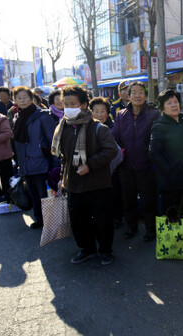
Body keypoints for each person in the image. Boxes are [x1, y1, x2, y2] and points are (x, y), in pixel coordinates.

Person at [52, 85, 119, 265]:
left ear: (83, 104)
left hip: (97, 184)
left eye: (72, 103)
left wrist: (89, 165)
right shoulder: (62, 126)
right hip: (73, 184)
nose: (67, 107)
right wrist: (61, 179)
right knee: (78, 221)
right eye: (65, 104)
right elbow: (63, 157)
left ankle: (105, 250)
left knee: (102, 220)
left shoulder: (98, 128)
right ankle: (87, 249)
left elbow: (111, 151)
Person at [112, 81, 161, 241]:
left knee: (148, 200)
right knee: (128, 200)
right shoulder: (121, 115)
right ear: (128, 95)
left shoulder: (153, 114)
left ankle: (150, 230)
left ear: (145, 95)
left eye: (141, 92)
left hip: (146, 166)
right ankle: (131, 227)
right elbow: (114, 138)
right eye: (134, 92)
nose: (137, 95)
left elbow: (158, 139)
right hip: (126, 167)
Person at [149, 89, 183, 217]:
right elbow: (154, 153)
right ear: (162, 107)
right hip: (171, 183)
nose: (174, 105)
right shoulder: (159, 126)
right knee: (172, 218)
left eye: (176, 102)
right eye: (169, 103)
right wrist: (169, 170)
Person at [10, 86, 56, 229]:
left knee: (45, 194)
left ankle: (49, 221)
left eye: (25, 97)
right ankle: (39, 219)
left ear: (32, 98)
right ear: (14, 100)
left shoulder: (43, 115)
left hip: (41, 161)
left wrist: (54, 162)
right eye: (19, 98)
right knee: (33, 193)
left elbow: (52, 140)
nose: (22, 100)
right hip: (25, 163)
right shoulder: (17, 116)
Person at [90, 96, 122, 227]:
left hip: (113, 169)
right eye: (96, 111)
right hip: (96, 169)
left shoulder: (114, 127)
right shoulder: (89, 128)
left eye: (102, 111)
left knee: (115, 194)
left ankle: (117, 217)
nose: (99, 115)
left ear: (108, 112)